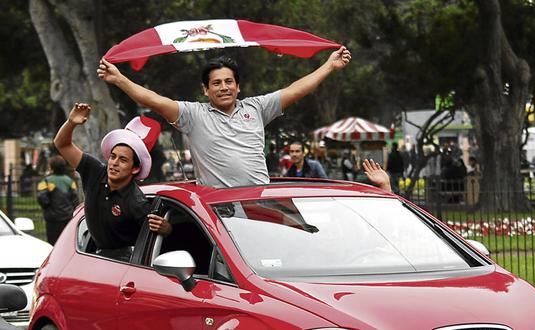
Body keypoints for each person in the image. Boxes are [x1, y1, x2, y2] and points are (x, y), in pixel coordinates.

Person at [98, 47, 351, 188]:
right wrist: (119, 79)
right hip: (218, 212)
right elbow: (153, 99)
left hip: (259, 201)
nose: (224, 87)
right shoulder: (193, 115)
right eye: (216, 83)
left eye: (229, 81)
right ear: (205, 90)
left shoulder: (257, 107)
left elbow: (298, 89)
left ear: (238, 86)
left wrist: (329, 65)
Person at [54, 103, 172, 261]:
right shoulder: (95, 171)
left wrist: (168, 230)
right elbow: (62, 144)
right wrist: (71, 123)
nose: (114, 163)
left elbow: (159, 245)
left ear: (135, 169)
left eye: (123, 160)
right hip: (91, 259)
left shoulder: (138, 204)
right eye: (113, 156)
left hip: (125, 265)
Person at [36, 155, 79, 245]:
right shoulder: (70, 181)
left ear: (51, 167)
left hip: (52, 219)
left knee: (53, 244)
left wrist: (48, 207)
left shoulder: (46, 181)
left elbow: (41, 197)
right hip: (67, 218)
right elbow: (75, 200)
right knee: (66, 243)